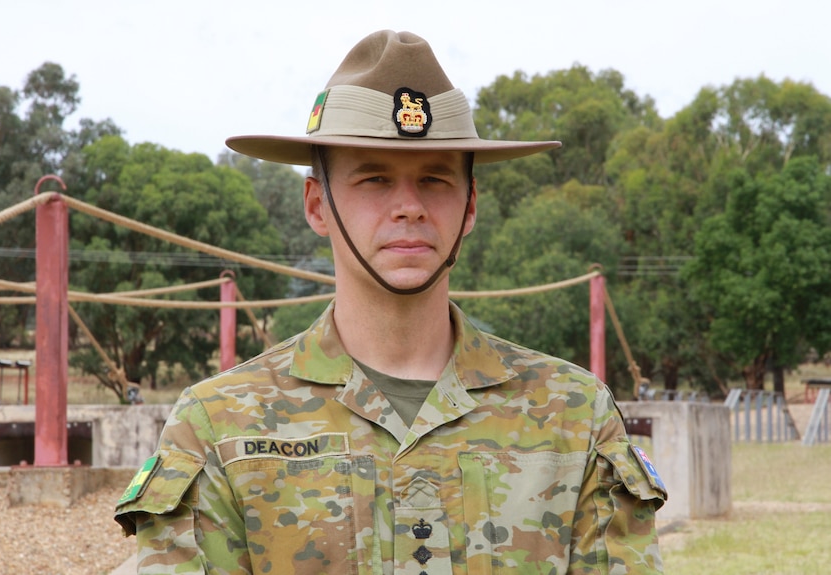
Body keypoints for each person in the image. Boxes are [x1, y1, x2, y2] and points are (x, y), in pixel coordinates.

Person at [115, 30, 667, 574]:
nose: (409, 206)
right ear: (316, 204)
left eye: (435, 179)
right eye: (374, 179)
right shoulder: (220, 425)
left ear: (470, 206)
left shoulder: (575, 416)